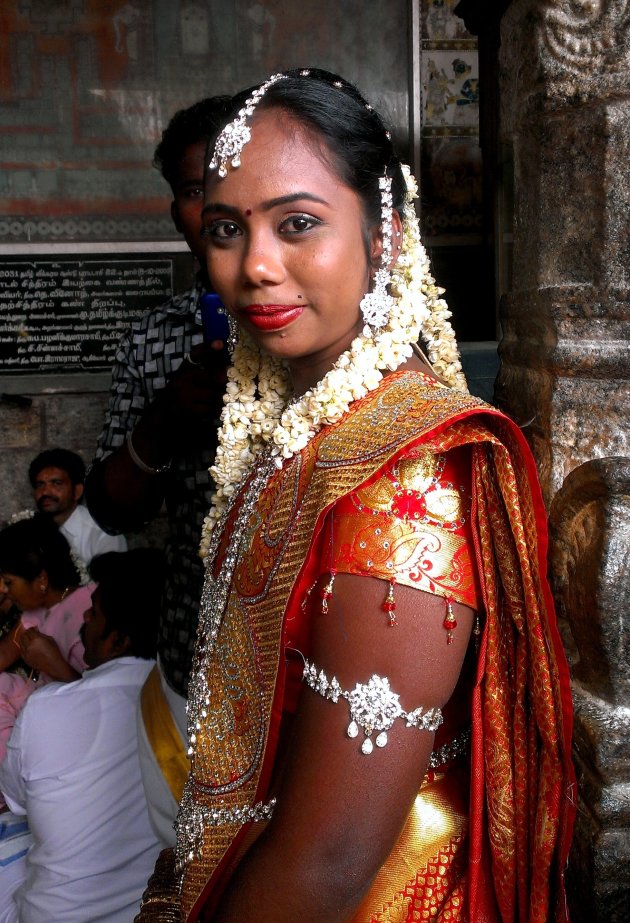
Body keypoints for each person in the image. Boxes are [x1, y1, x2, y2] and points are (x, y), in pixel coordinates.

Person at [137, 69, 575, 923]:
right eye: (228, 229)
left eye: (298, 223)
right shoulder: (305, 428)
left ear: (386, 233)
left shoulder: (404, 476)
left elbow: (331, 861)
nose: (256, 265)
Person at [84, 96, 234, 846]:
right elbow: (111, 511)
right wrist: (165, 422)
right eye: (191, 187)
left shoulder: (335, 320)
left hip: (316, 669)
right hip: (191, 655)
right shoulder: (157, 337)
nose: (211, 203)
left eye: (228, 176)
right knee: (196, 866)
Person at [0, 549, 164, 923]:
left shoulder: (46, 708)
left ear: (118, 641)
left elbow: (16, 801)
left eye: (94, 613)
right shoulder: (184, 704)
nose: (83, 621)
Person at [0, 517, 93, 763]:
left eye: (9, 582)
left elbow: (105, 704)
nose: (4, 591)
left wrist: (56, 665)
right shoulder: (37, 610)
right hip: (42, 704)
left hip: (77, 726)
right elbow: (4, 654)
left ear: (41, 579)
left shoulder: (90, 611)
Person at [28, 448, 126, 566]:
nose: (45, 492)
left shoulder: (102, 535)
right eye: (40, 484)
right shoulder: (31, 530)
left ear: (77, 491)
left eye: (57, 483)